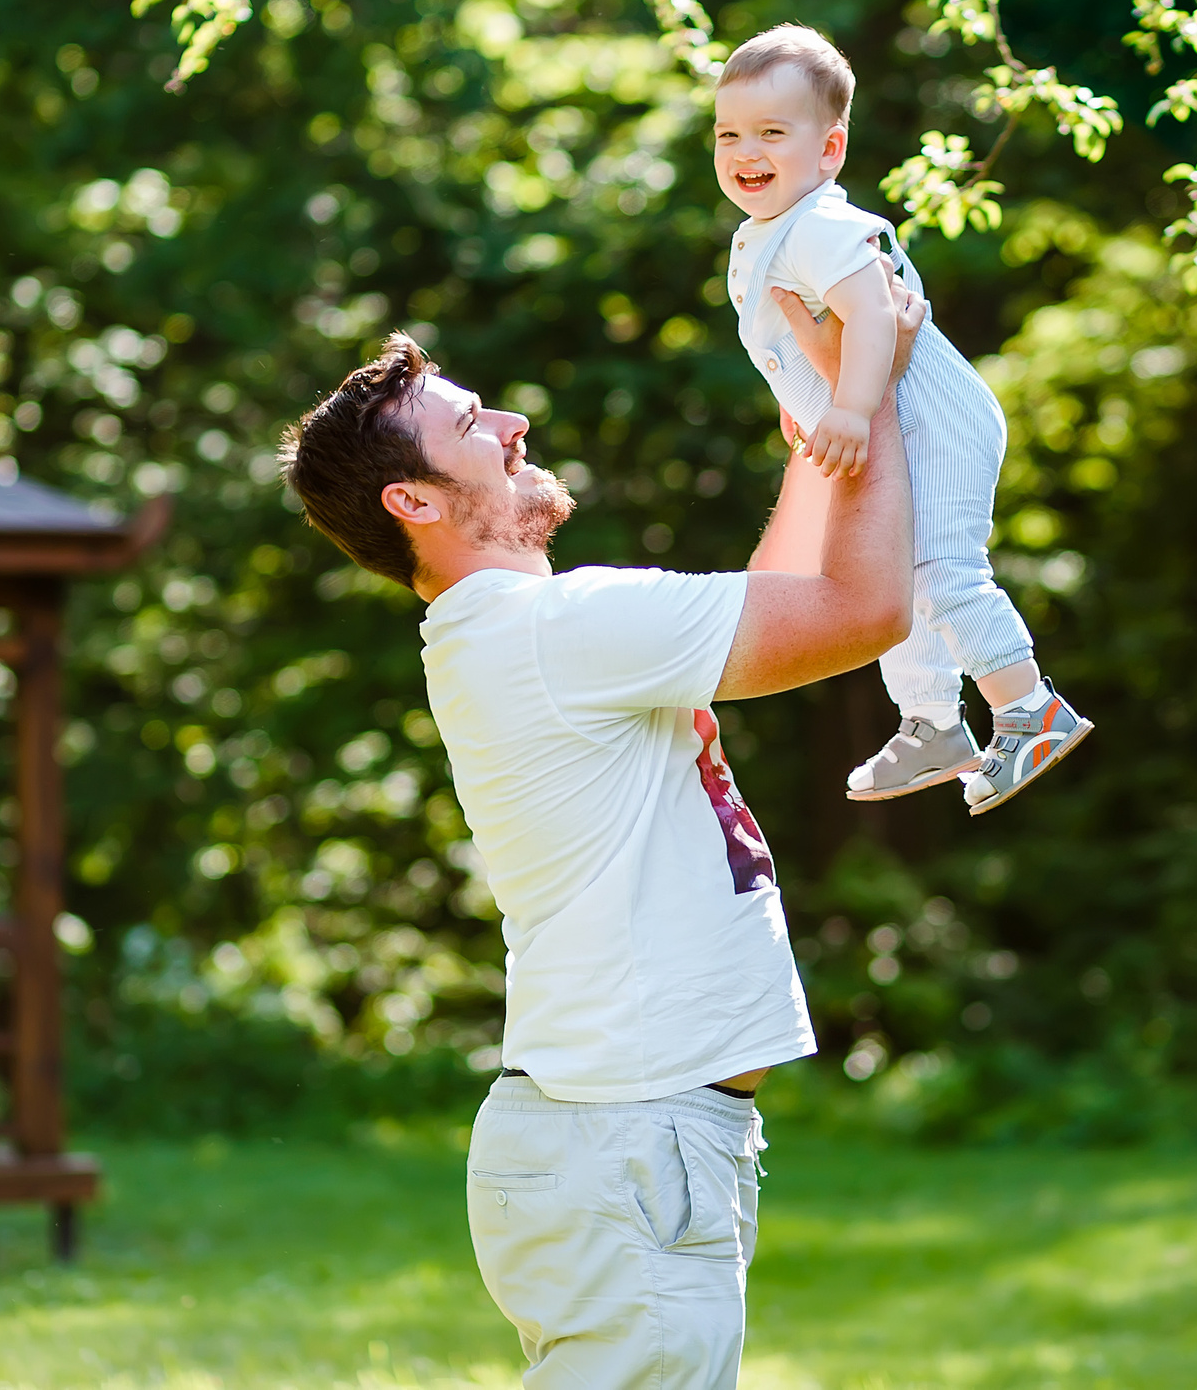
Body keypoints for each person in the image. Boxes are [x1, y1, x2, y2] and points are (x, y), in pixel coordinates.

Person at [276, 276, 925, 1389]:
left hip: (622, 1144)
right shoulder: (555, 631)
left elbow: (774, 600)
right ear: (413, 503)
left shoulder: (530, 632)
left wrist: (826, 435)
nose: (512, 421)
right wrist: (875, 396)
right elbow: (861, 611)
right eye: (473, 425)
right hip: (628, 1144)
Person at [712, 21, 1093, 812]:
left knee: (940, 567)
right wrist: (806, 407)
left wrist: (850, 406)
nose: (746, 150)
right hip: (885, 428)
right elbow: (807, 338)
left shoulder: (821, 225)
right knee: (895, 573)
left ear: (829, 150)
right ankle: (932, 722)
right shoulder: (769, 233)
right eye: (729, 134)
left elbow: (877, 316)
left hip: (932, 423)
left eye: (772, 132)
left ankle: (1030, 709)